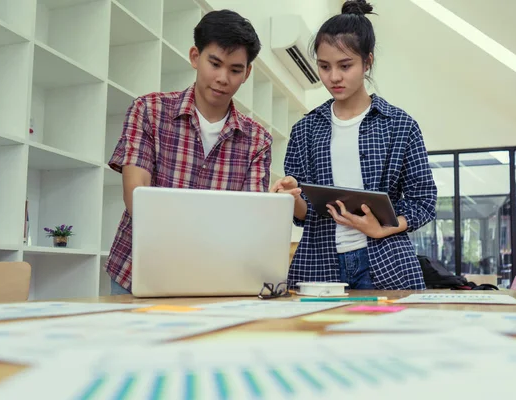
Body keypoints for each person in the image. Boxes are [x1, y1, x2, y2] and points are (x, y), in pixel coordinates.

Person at [271, 0, 437, 290]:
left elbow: (423, 200)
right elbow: (304, 214)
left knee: (388, 336)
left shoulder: (400, 125)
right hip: (319, 266)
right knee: (314, 335)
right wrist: (292, 197)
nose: (333, 77)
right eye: (324, 66)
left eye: (345, 65)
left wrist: (382, 227)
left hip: (388, 266)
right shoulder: (304, 130)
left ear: (367, 62)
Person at [105, 10, 270, 295]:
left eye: (235, 70)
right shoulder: (149, 111)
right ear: (195, 56)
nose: (222, 78)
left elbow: (248, 219)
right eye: (214, 63)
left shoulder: (257, 140)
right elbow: (136, 194)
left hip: (214, 277)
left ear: (247, 73)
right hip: (137, 270)